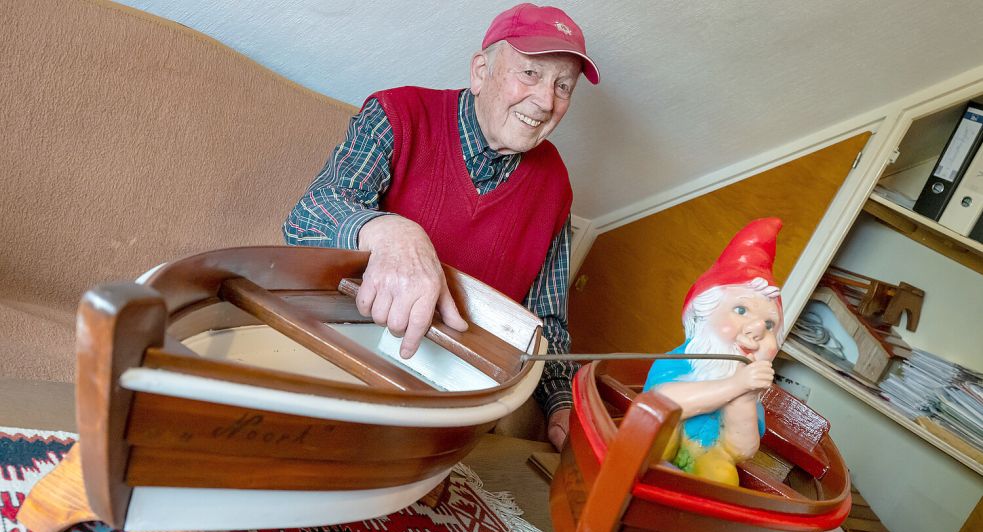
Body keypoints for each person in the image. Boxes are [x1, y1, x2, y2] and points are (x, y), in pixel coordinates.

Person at [282, 3, 600, 451]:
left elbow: (545, 321)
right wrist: (391, 231)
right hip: (345, 356)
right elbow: (307, 216)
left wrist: (563, 403)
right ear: (481, 71)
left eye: (562, 86)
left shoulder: (556, 185)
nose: (546, 101)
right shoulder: (398, 113)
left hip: (454, 396)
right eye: (529, 73)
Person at [643, 218, 784, 485]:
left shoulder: (749, 393)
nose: (756, 331)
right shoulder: (681, 361)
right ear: (703, 312)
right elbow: (664, 403)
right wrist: (736, 384)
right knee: (656, 439)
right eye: (741, 310)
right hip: (656, 443)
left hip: (706, 451)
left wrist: (744, 396)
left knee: (723, 476)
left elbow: (740, 450)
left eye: (769, 325)